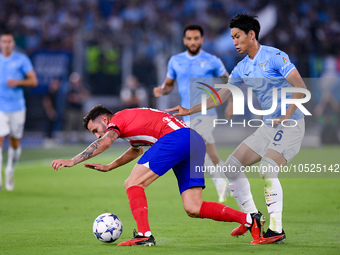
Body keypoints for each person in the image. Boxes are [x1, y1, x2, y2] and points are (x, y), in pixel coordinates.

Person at [167, 13, 308, 244]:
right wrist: (189, 110)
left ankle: (276, 230)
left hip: (290, 124)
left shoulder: (275, 56)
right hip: (267, 127)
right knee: (231, 167)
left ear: (251, 35)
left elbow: (300, 87)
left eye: (237, 36)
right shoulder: (242, 67)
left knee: (268, 168)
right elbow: (222, 95)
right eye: (232, 37)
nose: (234, 42)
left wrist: (286, 115)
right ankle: (253, 217)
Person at [51, 105, 264, 246]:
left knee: (133, 183)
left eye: (96, 129)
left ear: (106, 119)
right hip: (193, 141)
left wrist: (72, 161)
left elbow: (105, 142)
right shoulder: (130, 122)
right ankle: (250, 219)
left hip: (177, 139)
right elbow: (136, 150)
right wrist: (110, 166)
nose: (97, 135)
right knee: (193, 207)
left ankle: (144, 235)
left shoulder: (119, 119)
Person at [153, 24, 231, 203]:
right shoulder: (175, 60)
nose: (193, 42)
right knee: (211, 154)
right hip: (186, 116)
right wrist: (162, 90)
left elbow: (231, 82)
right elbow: (169, 85)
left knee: (194, 147)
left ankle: (218, 182)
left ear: (202, 39)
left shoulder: (213, 60)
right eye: (189, 38)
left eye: (196, 38)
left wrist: (231, 103)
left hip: (206, 113)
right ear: (184, 40)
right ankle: (232, 179)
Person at [0, 30, 38, 191]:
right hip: (1, 108)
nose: (6, 44)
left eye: (9, 41)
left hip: (17, 108)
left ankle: (10, 169)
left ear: (13, 43)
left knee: (15, 143)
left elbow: (33, 81)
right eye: (3, 41)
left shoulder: (21, 59)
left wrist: (17, 82)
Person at [64, 72, 90, 144]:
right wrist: (79, 98)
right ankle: (67, 139)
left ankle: (81, 139)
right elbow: (72, 99)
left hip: (80, 109)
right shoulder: (70, 89)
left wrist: (79, 97)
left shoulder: (82, 88)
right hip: (72, 110)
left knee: (81, 125)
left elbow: (86, 95)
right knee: (70, 125)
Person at [42, 77, 62, 147]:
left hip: (53, 110)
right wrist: (50, 111)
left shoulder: (56, 93)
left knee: (52, 124)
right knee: (48, 125)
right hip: (49, 111)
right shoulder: (49, 92)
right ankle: (47, 140)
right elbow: (46, 102)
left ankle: (51, 139)